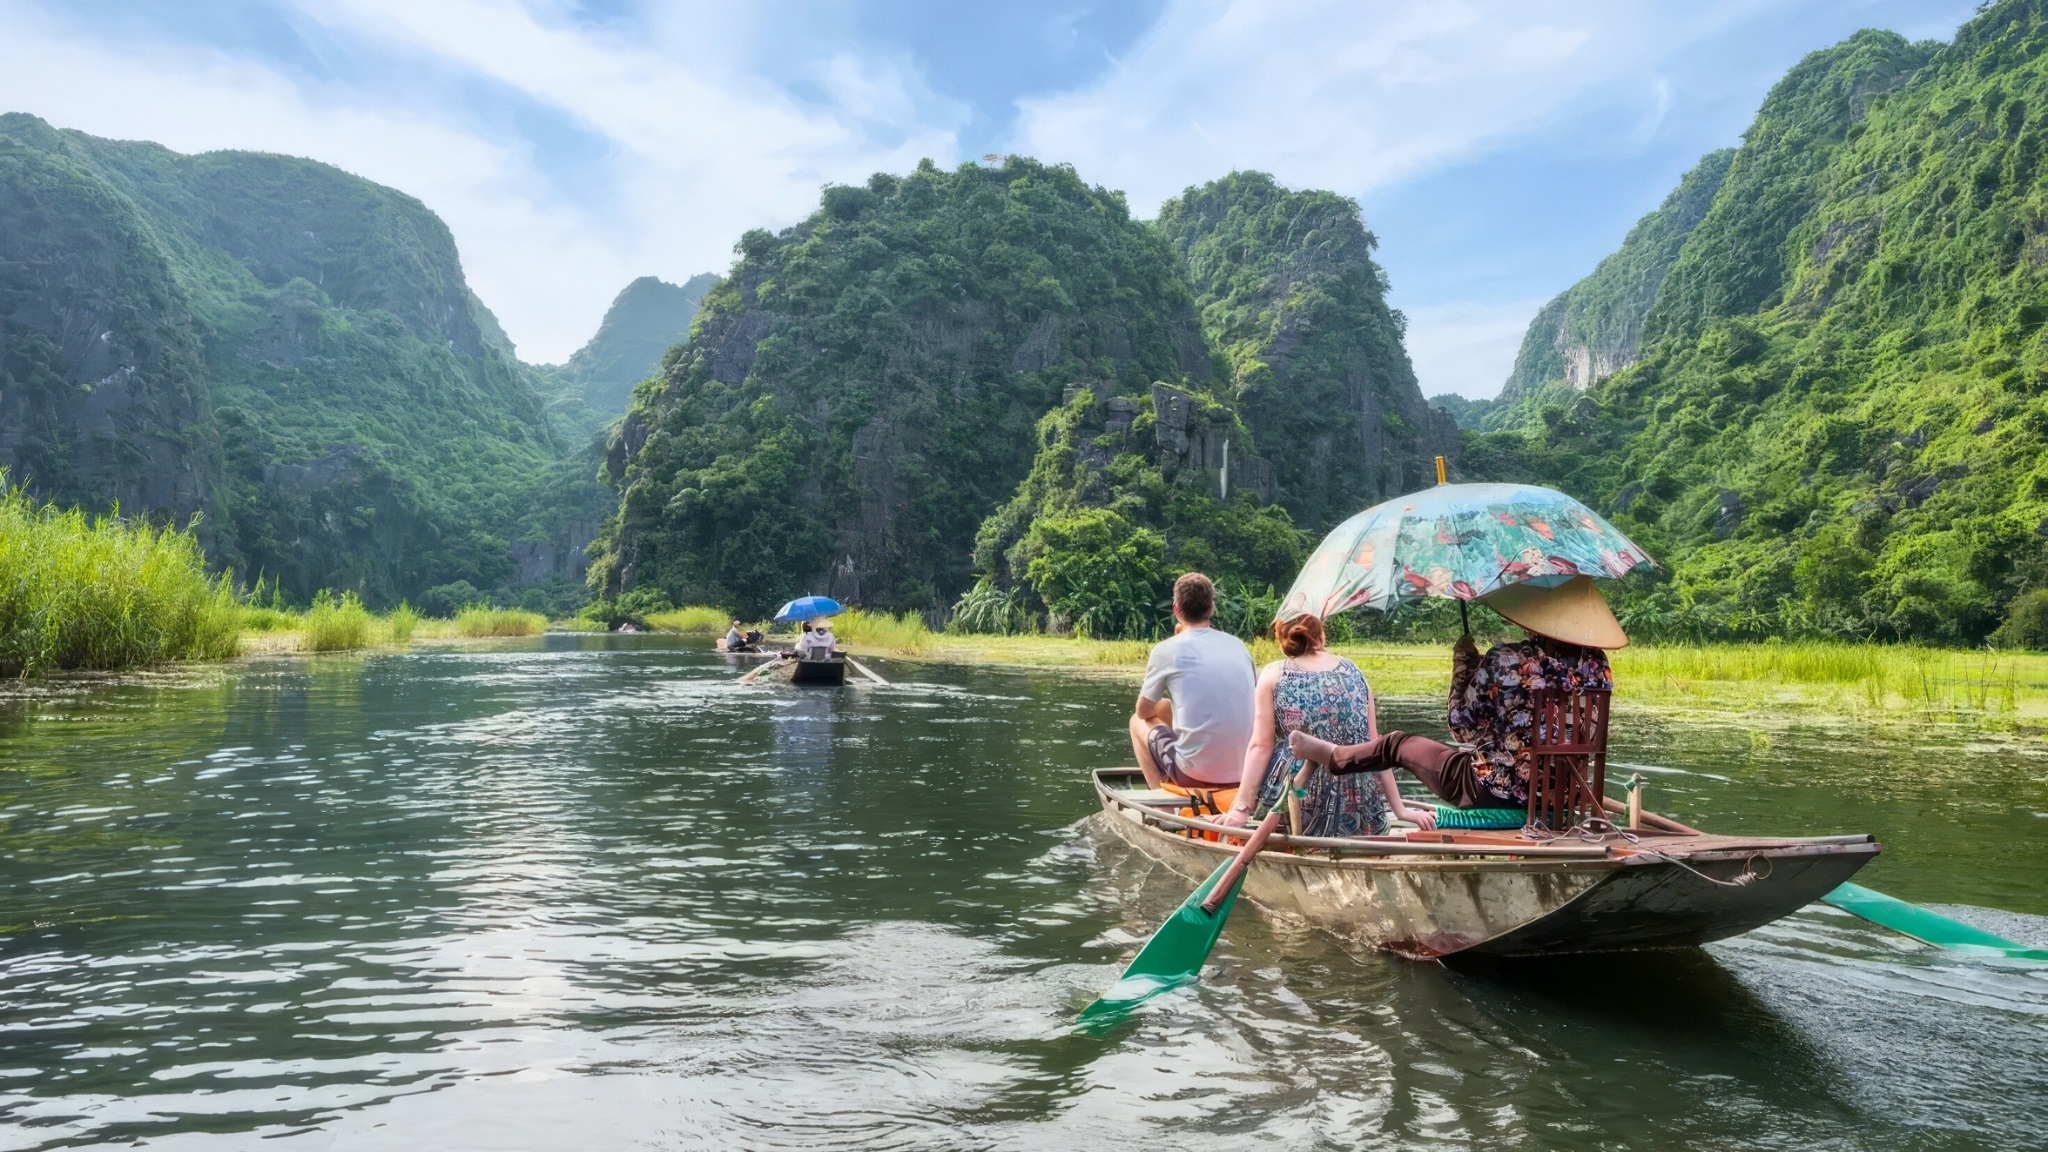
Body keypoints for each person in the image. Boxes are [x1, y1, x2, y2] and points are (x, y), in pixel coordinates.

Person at [1216, 614, 1437, 836]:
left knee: (1285, 748)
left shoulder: (1274, 674)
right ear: (1321, 636)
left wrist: (1240, 808)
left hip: (1295, 801)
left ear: (1282, 640)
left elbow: (1260, 746)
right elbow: (1377, 749)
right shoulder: (1354, 672)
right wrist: (1400, 811)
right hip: (1358, 807)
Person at [1128, 573, 1256, 811]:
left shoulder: (1166, 649)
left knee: (1137, 721)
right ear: (1212, 607)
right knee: (1166, 707)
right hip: (1247, 772)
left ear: (1176, 609)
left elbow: (1144, 711)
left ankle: (1163, 804)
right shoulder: (1238, 646)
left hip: (1195, 775)